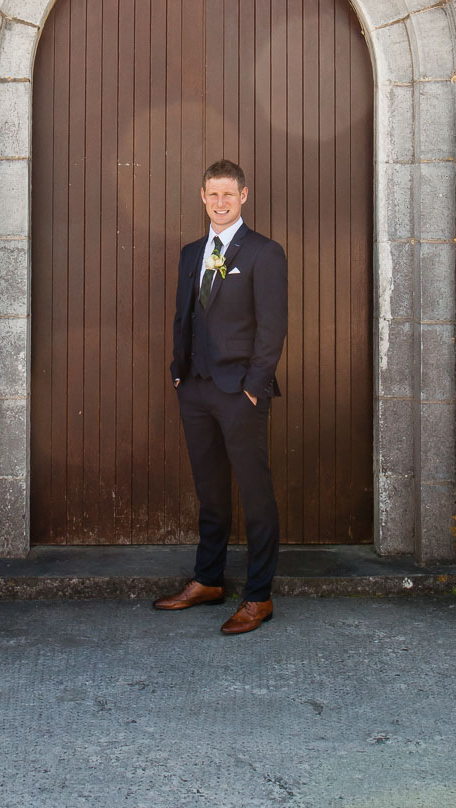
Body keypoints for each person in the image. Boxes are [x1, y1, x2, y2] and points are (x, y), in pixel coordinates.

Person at [153, 159, 288, 634]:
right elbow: (182, 316)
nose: (220, 202)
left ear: (244, 196)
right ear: (202, 197)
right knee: (209, 490)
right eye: (213, 194)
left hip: (240, 393)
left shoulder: (264, 253)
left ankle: (258, 595)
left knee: (254, 493)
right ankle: (208, 580)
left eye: (229, 194)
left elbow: (272, 330)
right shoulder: (192, 252)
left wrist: (253, 388)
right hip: (195, 389)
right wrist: (178, 373)